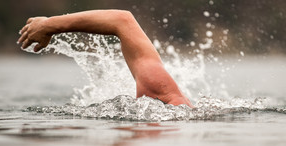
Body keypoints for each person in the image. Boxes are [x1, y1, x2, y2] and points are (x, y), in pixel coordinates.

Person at [17, 9, 193, 107]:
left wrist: (49, 24)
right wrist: (50, 25)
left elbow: (123, 20)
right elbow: (122, 20)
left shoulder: (166, 96)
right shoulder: (168, 96)